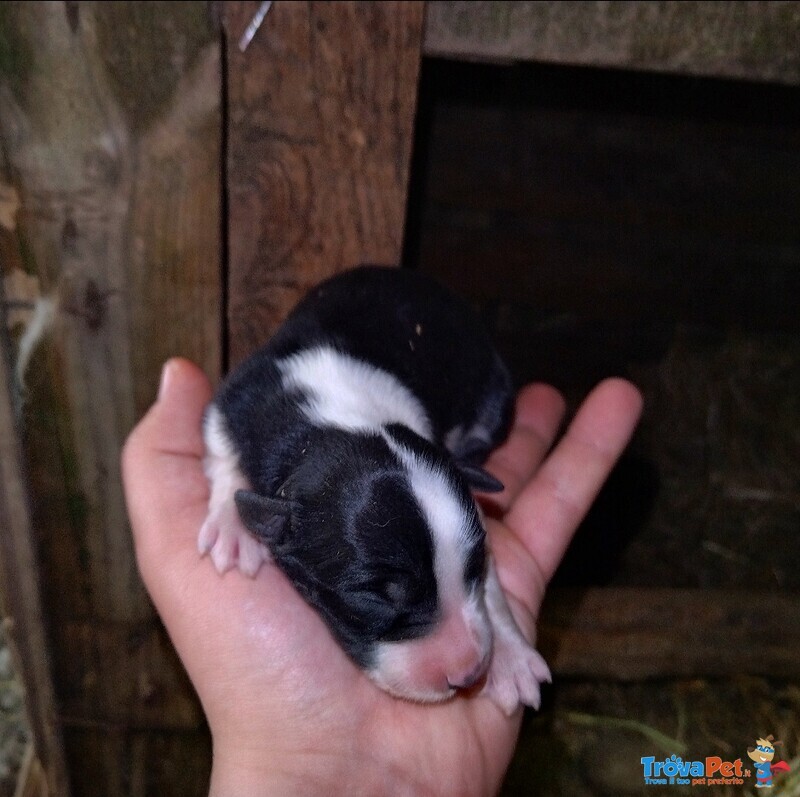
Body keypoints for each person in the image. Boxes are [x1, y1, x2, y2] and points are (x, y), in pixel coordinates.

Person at [122, 358, 642, 796]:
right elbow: (222, 426)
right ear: (280, 528)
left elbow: (458, 545)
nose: (468, 664)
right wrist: (225, 490)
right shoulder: (253, 416)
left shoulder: (398, 434)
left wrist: (503, 631)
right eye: (386, 598)